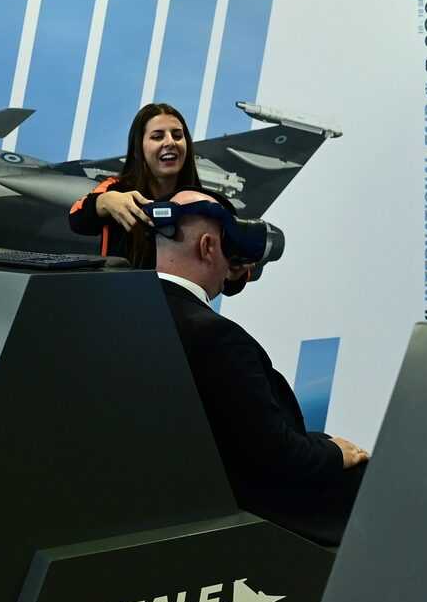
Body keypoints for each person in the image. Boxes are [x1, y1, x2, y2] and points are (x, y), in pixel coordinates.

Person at [154, 189, 369, 546]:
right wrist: (335, 453)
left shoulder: (131, 313)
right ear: (208, 247)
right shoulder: (216, 336)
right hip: (255, 509)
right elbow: (276, 455)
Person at [69, 103, 202, 268]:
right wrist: (104, 202)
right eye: (157, 137)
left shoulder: (204, 201)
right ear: (138, 147)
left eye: (177, 135)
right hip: (121, 285)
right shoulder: (116, 189)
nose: (170, 142)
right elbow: (76, 220)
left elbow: (225, 274)